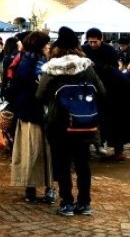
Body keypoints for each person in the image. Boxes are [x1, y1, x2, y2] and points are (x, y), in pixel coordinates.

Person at [36, 27, 106, 217]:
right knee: (83, 163)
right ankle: (84, 203)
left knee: (62, 163)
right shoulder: (86, 66)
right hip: (84, 123)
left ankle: (66, 203)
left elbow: (40, 95)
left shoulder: (51, 69)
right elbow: (101, 91)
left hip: (59, 123)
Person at [6, 31, 54, 203]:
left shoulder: (27, 60)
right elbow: (38, 90)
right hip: (35, 113)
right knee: (38, 151)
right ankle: (40, 188)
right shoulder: (35, 63)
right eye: (46, 44)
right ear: (39, 46)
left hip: (29, 113)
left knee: (32, 151)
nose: (49, 47)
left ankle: (33, 188)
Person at [81, 28, 120, 156]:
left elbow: (114, 68)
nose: (92, 45)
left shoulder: (110, 50)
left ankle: (103, 143)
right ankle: (89, 146)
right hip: (87, 88)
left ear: (101, 39)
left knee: (104, 117)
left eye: (95, 42)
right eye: (90, 42)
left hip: (106, 87)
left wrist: (96, 66)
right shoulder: (83, 49)